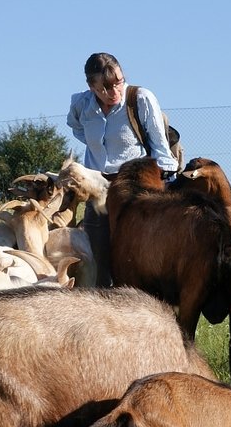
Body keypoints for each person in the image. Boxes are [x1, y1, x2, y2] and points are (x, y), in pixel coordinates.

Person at [67, 52, 180, 286]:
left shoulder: (139, 99)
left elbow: (160, 147)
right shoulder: (81, 105)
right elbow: (78, 130)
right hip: (97, 193)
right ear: (91, 86)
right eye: (105, 88)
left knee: (134, 263)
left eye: (118, 82)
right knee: (99, 266)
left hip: (133, 192)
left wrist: (169, 187)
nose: (114, 92)